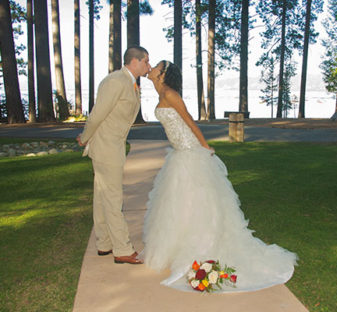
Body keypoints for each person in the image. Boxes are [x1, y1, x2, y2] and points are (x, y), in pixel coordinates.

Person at [142, 60, 297, 292]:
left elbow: (190, 122)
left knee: (198, 202)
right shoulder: (160, 93)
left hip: (190, 152)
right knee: (178, 204)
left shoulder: (170, 94)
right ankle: (177, 247)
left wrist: (205, 147)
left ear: (162, 74)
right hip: (179, 153)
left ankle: (202, 245)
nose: (151, 67)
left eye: (156, 66)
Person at [77, 46, 151, 265]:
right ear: (135, 61)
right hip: (106, 147)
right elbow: (97, 114)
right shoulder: (115, 81)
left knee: (102, 196)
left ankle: (104, 243)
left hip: (113, 145)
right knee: (113, 198)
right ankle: (122, 249)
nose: (149, 65)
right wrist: (85, 136)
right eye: (146, 61)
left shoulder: (130, 83)